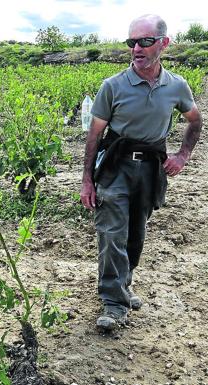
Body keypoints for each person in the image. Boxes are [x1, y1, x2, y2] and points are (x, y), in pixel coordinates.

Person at [80, 14, 203, 331]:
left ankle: (123, 285)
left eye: (144, 41)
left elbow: (194, 120)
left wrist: (183, 154)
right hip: (115, 168)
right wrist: (87, 181)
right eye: (131, 42)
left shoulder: (176, 86)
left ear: (164, 43)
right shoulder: (113, 86)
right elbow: (94, 136)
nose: (136, 48)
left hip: (150, 170)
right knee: (112, 234)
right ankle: (113, 302)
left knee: (136, 234)